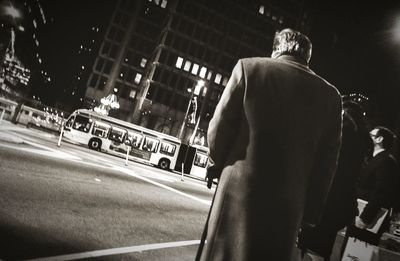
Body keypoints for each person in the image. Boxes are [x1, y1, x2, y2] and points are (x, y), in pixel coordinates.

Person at [196, 28, 342, 261]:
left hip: (237, 192)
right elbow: (326, 166)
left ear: (276, 49)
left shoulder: (248, 68)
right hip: (288, 204)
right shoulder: (331, 97)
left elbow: (219, 127)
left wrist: (215, 164)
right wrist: (310, 213)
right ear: (307, 57)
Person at [297, 100, 373, 260]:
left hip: (327, 199)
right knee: (323, 246)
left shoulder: (343, 133)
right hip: (343, 204)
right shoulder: (362, 139)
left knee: (310, 244)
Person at [346, 126, 400, 245]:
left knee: (355, 253)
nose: (367, 137)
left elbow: (381, 192)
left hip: (367, 220)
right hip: (359, 213)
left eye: (371, 135)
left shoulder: (386, 161)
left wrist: (365, 218)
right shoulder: (375, 158)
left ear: (379, 139)